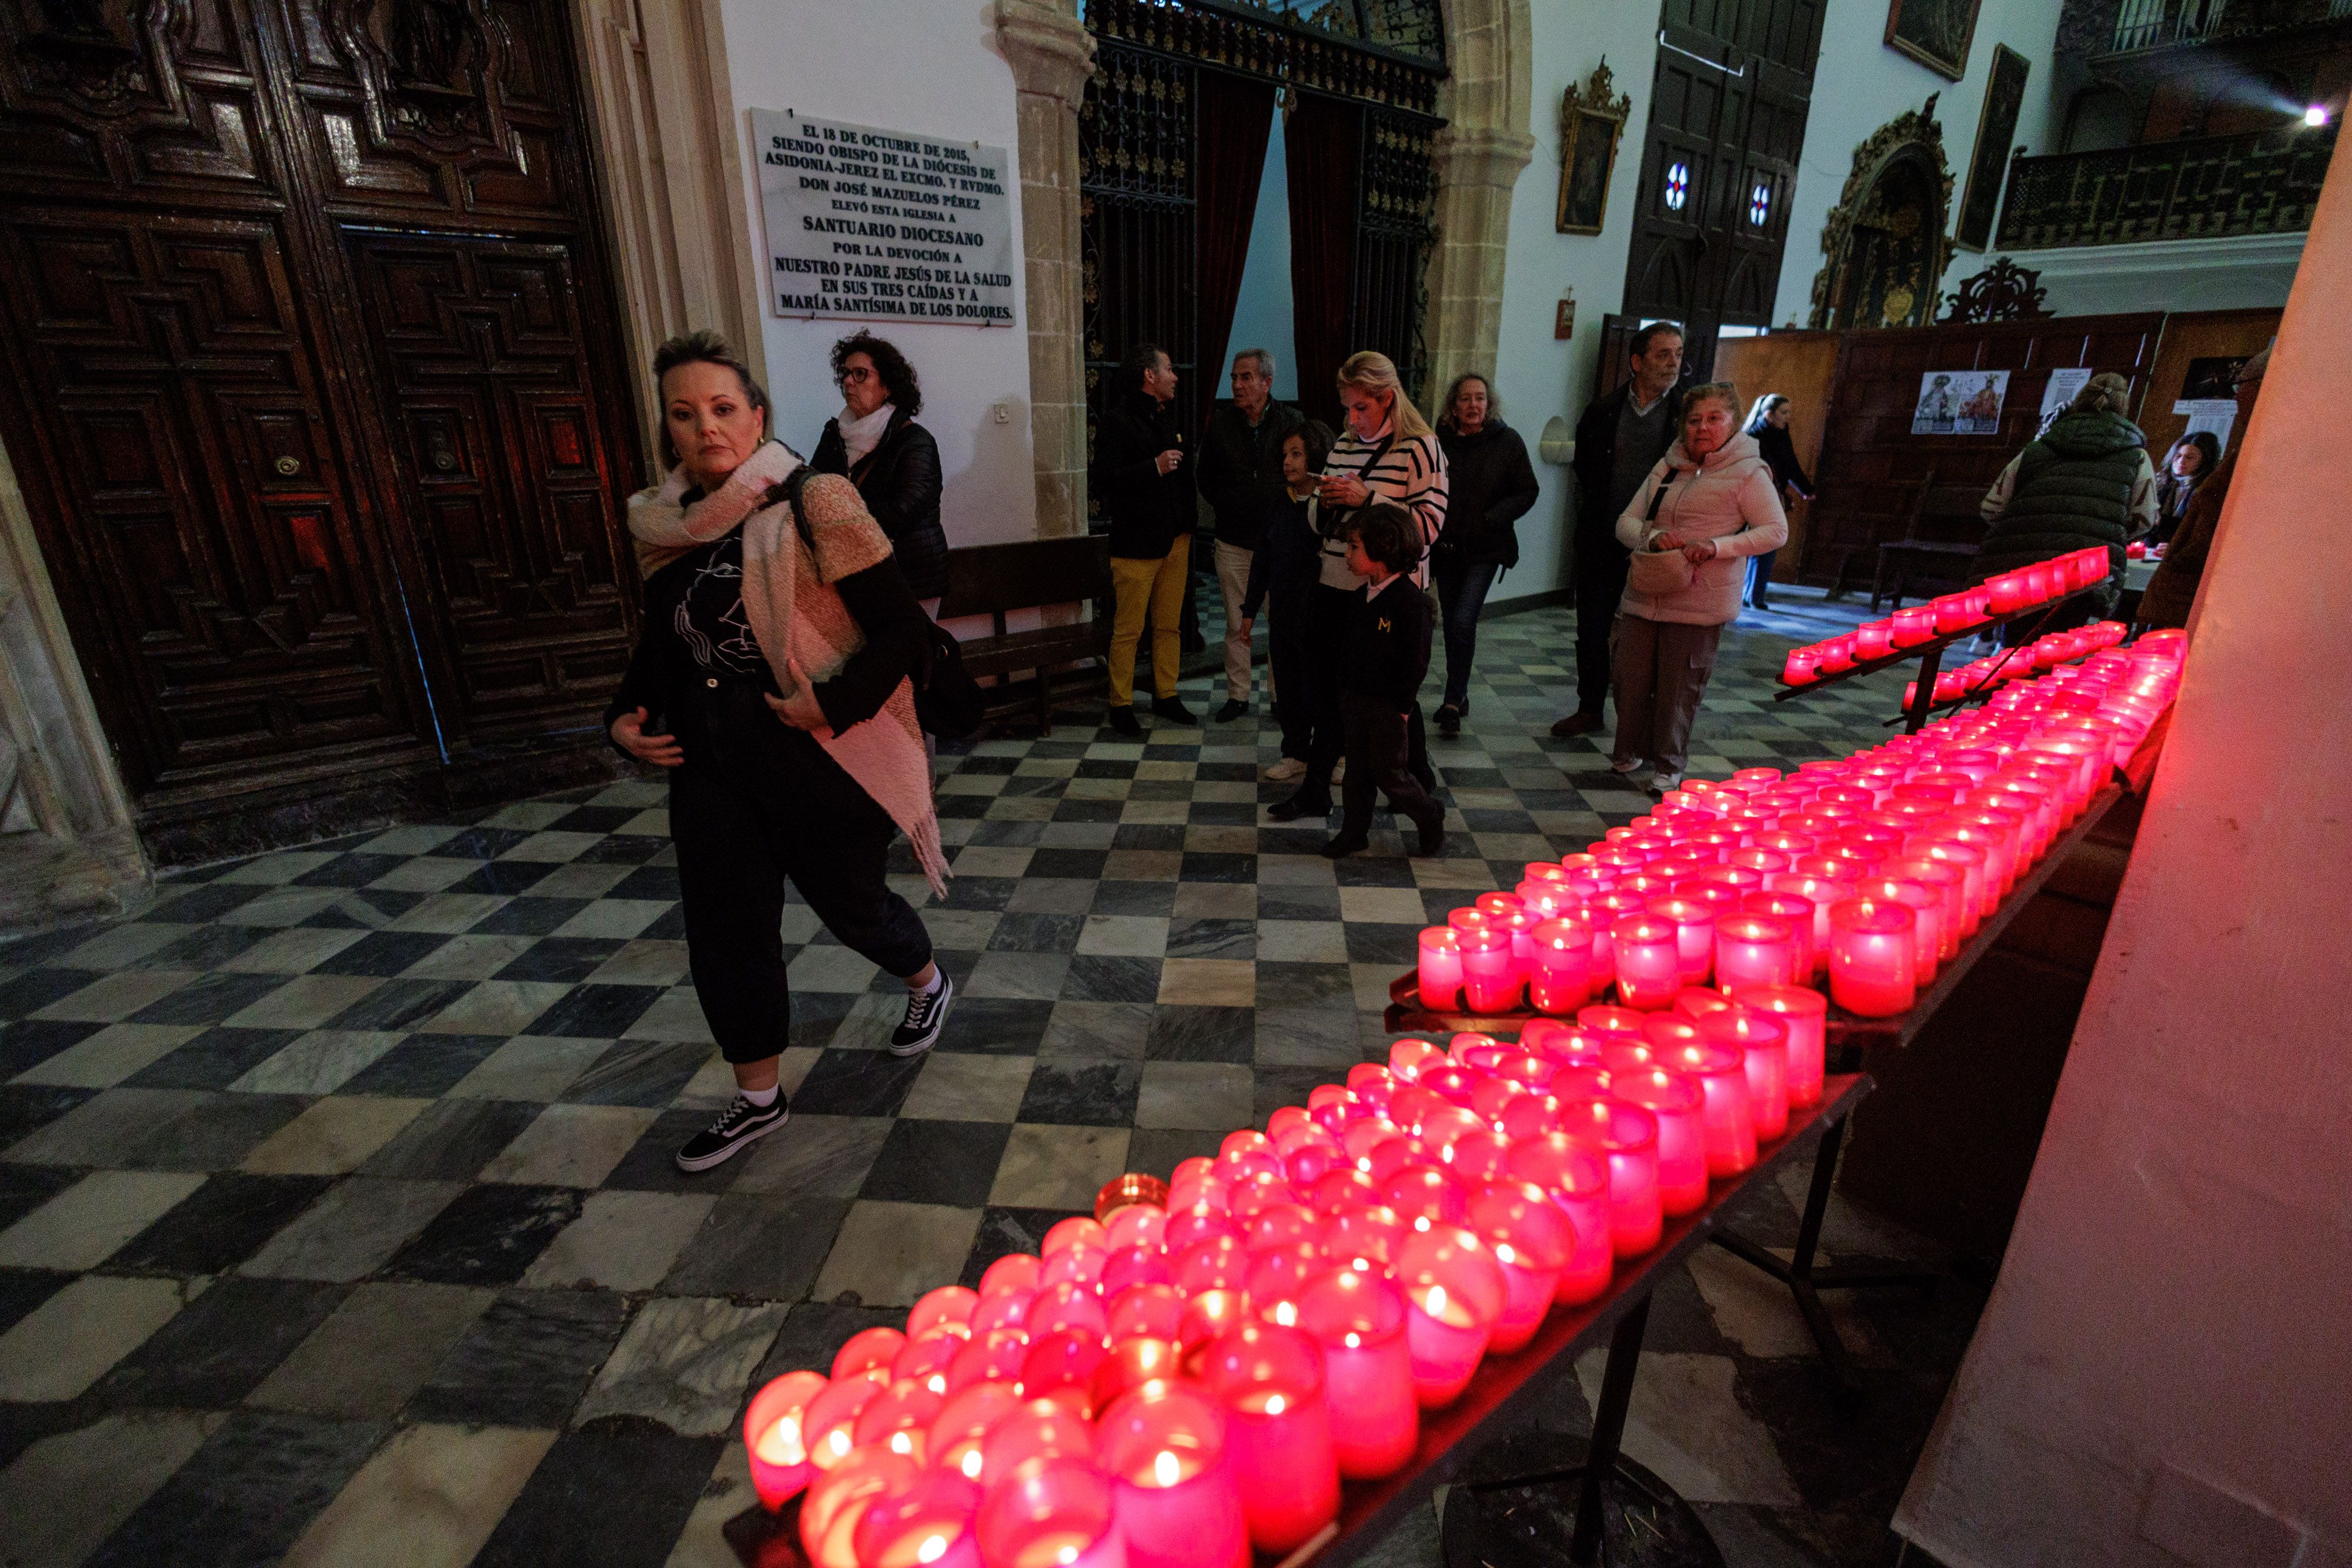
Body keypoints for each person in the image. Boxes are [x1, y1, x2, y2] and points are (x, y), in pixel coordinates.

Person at [606, 332, 951, 1172]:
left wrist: (828, 701)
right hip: (710, 762)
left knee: (853, 906)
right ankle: (758, 1095)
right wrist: (622, 712)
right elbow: (665, 643)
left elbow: (904, 627)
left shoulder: (815, 500)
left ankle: (926, 981)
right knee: (727, 933)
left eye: (723, 408)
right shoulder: (664, 521)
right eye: (685, 414)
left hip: (815, 755)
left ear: (756, 416)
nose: (706, 427)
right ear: (669, 429)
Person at [1269, 351, 1449, 823]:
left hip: (1385, 593)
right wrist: (1324, 504)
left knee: (1387, 699)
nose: (1350, 419)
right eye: (1347, 407)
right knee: (1329, 692)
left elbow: (1428, 527)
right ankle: (1315, 791)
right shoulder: (1346, 443)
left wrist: (1368, 498)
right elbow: (1317, 522)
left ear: (1388, 399)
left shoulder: (1420, 447)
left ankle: (1420, 787)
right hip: (1334, 582)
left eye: (1361, 407)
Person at [1609, 381, 1787, 795]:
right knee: (1627, 676)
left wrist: (1718, 547)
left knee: (1679, 686)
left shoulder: (1748, 471)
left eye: (1714, 419)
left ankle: (1669, 765)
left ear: (1734, 422)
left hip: (1699, 598)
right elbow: (1626, 522)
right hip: (1646, 588)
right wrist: (1652, 538)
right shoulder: (1669, 464)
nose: (1702, 428)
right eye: (1694, 420)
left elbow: (1775, 531)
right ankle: (1629, 748)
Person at [1552, 323, 1684, 739]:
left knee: (1648, 637)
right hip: (1602, 538)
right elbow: (1587, 471)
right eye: (1663, 354)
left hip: (1659, 544)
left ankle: (1642, 721)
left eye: (1678, 354)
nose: (1673, 362)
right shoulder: (1604, 410)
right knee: (1591, 628)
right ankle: (1590, 707)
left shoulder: (1686, 414)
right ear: (1637, 361)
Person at [1976, 370, 2157, 637]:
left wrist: (2021, 530)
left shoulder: (2037, 449)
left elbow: (1992, 507)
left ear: (2079, 401)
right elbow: (2144, 520)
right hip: (2083, 573)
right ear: (2124, 408)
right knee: (2056, 652)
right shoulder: (2136, 458)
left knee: (2013, 649)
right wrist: (2105, 533)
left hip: (2023, 566)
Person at [1325, 503, 1445, 859]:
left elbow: (1415, 662)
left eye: (1354, 548)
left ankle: (1429, 814)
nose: (1347, 555)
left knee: (1389, 774)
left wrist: (1403, 707)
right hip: (1357, 699)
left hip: (1388, 706)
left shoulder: (1410, 603)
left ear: (1383, 550)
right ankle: (1354, 832)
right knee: (1356, 773)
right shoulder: (1363, 595)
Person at [1093, 343, 1197, 735]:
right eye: (1167, 368)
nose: (1174, 375)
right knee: (1129, 629)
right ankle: (1121, 702)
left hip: (1176, 538)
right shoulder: (1117, 422)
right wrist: (1152, 467)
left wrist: (1187, 523)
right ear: (1149, 376)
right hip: (1137, 543)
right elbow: (1104, 481)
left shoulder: (1168, 418)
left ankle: (1166, 692)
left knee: (1169, 625)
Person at [1198, 347, 1304, 721]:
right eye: (1234, 378)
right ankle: (1238, 695)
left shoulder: (1292, 421)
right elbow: (1205, 477)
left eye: (1246, 378)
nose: (1237, 385)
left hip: (1281, 544)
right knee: (1234, 623)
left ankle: (1280, 695)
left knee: (1282, 624)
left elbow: (1304, 473)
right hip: (1234, 541)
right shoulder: (1222, 424)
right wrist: (1231, 503)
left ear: (1267, 382)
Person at [1431, 373, 1539, 735]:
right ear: (1453, 406)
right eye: (1465, 399)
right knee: (1451, 623)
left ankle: (1451, 700)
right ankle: (1458, 695)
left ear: (1489, 404)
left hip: (1486, 548)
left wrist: (1492, 518)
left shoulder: (1507, 441)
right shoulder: (1440, 441)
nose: (1473, 405)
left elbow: (1527, 490)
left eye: (1479, 398)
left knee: (1463, 621)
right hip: (1445, 549)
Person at [811, 332, 949, 611]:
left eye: (861, 374)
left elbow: (904, 511)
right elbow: (812, 491)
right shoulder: (835, 436)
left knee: (909, 654)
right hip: (853, 574)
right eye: (845, 373)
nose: (849, 381)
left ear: (887, 385)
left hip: (911, 577)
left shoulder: (915, 441)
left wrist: (838, 514)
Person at [1238, 418, 1337, 781]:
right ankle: (1296, 751)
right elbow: (1262, 560)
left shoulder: (1327, 505)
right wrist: (1249, 612)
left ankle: (1335, 754)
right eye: (1285, 455)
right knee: (1289, 687)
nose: (1288, 462)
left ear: (1317, 454)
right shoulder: (1278, 504)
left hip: (1317, 613)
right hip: (1282, 613)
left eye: (1297, 454)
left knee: (1320, 688)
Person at [2143, 347, 2266, 630]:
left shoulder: (2258, 451)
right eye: (2179, 456)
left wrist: (2178, 557)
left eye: (2240, 386)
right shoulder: (2163, 483)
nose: (2236, 396)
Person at [1738, 393, 1814, 611]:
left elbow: (1790, 464)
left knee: (1766, 545)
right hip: (1751, 496)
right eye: (1784, 412)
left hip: (1772, 496)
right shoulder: (1753, 436)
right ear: (1769, 414)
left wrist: (1805, 489)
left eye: (1788, 412)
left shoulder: (1782, 434)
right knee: (1752, 545)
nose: (1788, 417)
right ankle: (1746, 595)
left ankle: (1753, 595)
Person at [2150, 430, 2220, 549]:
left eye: (2190, 458)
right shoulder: (2161, 482)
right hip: (2152, 548)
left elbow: (2201, 532)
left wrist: (2174, 547)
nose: (2181, 461)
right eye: (2178, 456)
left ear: (2204, 462)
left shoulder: (2208, 491)